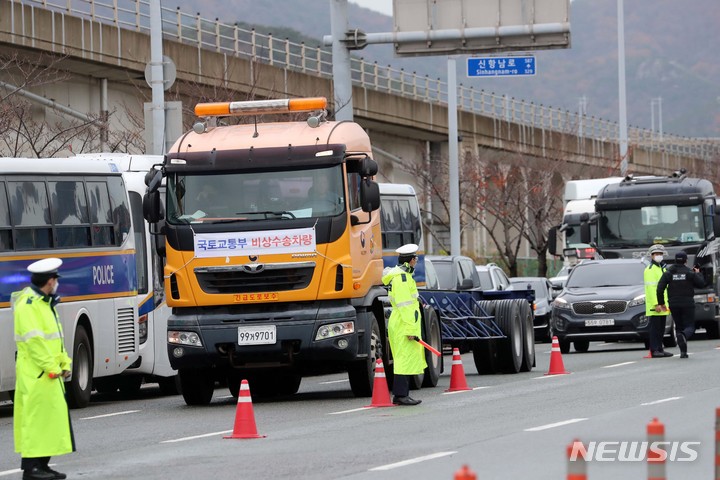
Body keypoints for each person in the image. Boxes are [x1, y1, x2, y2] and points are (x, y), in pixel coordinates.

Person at [13, 258, 74, 480]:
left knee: (49, 421)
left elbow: (54, 339)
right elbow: (34, 343)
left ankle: (43, 465)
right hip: (37, 374)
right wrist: (52, 367)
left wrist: (64, 363)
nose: (56, 283)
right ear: (49, 281)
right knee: (36, 422)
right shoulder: (28, 304)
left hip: (48, 374)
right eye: (55, 279)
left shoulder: (45, 302)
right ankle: (32, 469)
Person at [381, 243, 426, 406]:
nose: (416, 261)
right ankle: (400, 395)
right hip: (402, 324)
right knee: (403, 359)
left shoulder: (404, 276)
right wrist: (409, 329)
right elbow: (405, 306)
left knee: (404, 358)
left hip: (402, 323)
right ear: (409, 261)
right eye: (415, 258)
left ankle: (402, 394)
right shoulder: (402, 278)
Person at [656, 251, 705, 358]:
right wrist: (698, 273)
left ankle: (683, 353)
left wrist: (661, 303)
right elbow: (701, 284)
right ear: (686, 261)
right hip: (687, 303)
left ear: (675, 260)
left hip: (673, 303)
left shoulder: (669, 273)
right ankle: (684, 335)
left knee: (679, 327)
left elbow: (659, 289)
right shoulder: (689, 272)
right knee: (689, 327)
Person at [644, 244, 672, 358]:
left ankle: (660, 348)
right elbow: (651, 288)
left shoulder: (663, 268)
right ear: (651, 255)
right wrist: (657, 304)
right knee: (655, 329)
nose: (659, 256)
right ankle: (654, 350)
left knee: (661, 329)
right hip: (655, 305)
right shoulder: (650, 270)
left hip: (663, 304)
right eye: (656, 254)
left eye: (660, 254)